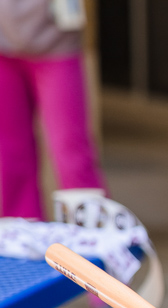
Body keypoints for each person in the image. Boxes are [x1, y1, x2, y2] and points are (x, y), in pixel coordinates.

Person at [0, 0, 106, 220]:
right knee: (10, 155)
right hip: (3, 49)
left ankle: (91, 238)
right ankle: (24, 239)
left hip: (57, 44)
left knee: (71, 151)